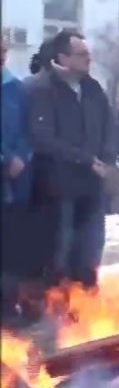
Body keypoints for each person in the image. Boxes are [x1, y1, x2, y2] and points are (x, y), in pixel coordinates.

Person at [27, 30, 116, 288]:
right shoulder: (40, 89)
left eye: (89, 54)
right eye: (82, 54)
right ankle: (58, 307)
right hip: (58, 187)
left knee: (91, 247)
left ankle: (88, 300)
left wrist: (108, 158)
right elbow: (42, 139)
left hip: (93, 187)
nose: (89, 59)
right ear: (63, 57)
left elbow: (109, 125)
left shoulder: (92, 87)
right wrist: (87, 160)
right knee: (61, 251)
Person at [2, 40, 37, 324]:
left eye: (3, 51)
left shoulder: (16, 88)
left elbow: (28, 129)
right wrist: (4, 157)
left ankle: (9, 305)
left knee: (12, 247)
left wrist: (21, 156)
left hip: (15, 182)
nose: (1, 56)